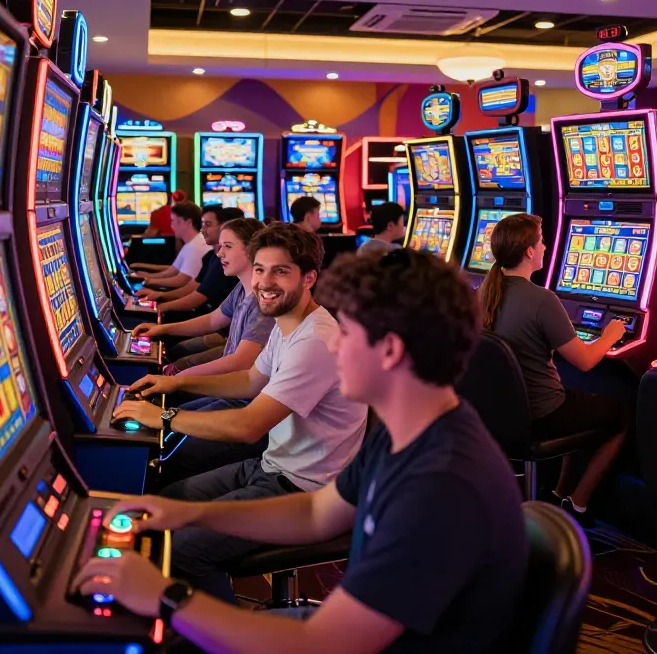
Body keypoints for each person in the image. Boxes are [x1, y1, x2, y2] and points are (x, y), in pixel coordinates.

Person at [72, 248, 528, 653]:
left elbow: (322, 643)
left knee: (180, 627)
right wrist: (192, 515)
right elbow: (315, 513)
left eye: (346, 332)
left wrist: (166, 597)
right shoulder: (409, 430)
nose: (332, 342)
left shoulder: (441, 485)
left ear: (389, 350)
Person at [112, 223, 368, 597]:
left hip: (305, 492)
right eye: (261, 269)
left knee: (181, 552)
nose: (265, 281)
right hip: (271, 467)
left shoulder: (315, 341)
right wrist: (176, 383)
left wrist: (162, 416)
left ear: (309, 277)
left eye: (281, 271)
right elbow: (250, 380)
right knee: (167, 499)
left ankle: (225, 636)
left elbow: (249, 426)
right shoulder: (289, 324)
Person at [479, 213, 631, 524]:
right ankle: (578, 503)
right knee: (623, 416)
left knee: (574, 398)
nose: (547, 247)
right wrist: (610, 336)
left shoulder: (484, 292)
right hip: (541, 415)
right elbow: (585, 362)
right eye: (542, 241)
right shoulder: (541, 299)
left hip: (499, 414)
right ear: (530, 252)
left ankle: (558, 493)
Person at [132, 217, 276, 484]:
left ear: (252, 250)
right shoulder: (242, 289)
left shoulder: (263, 301)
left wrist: (175, 380)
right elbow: (212, 321)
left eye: (227, 247)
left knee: (171, 450)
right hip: (234, 393)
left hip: (245, 404)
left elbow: (241, 364)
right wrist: (163, 329)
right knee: (168, 426)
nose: (219, 253)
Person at [138, 206, 244, 316]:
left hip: (212, 320)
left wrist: (157, 303)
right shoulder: (210, 256)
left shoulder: (222, 260)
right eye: (203, 224)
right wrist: (156, 291)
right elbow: (193, 286)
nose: (203, 229)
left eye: (208, 224)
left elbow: (191, 292)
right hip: (209, 316)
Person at [130, 202, 211, 291]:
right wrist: (146, 275)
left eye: (173, 221)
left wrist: (148, 280)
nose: (171, 226)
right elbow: (172, 270)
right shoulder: (192, 243)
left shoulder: (196, 246)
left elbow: (181, 280)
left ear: (188, 222)